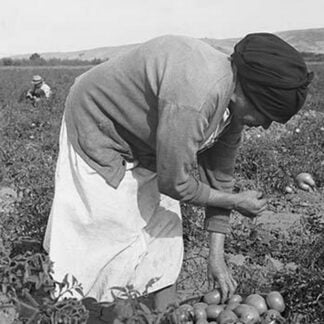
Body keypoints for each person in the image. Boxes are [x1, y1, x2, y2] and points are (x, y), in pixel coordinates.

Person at [43, 33, 313, 311]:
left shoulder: (232, 102)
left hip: (149, 144)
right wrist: (235, 201)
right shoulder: (197, 95)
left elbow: (220, 177)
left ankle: (165, 314)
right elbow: (175, 183)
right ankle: (92, 312)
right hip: (100, 125)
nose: (266, 126)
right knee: (110, 235)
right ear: (250, 93)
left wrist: (216, 258)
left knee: (165, 233)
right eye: (266, 115)